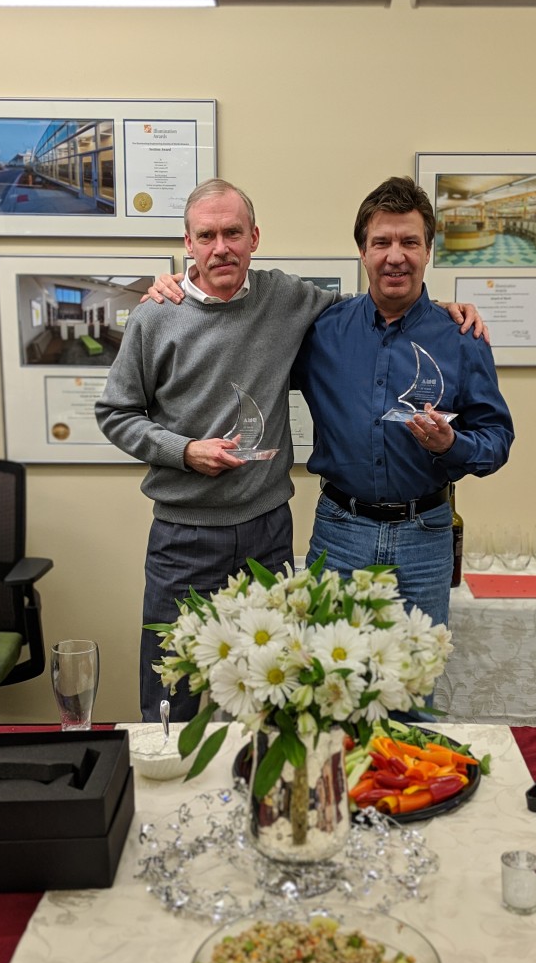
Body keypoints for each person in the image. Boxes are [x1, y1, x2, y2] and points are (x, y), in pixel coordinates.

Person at [96, 178, 484, 722]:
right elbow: (115, 413)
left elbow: (379, 304)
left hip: (266, 530)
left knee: (273, 692)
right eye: (206, 236)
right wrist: (184, 452)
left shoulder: (287, 299)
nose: (220, 247)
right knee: (173, 686)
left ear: (255, 237)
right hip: (183, 536)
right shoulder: (156, 314)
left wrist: (439, 309)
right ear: (187, 243)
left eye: (233, 233)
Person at [291, 176, 514, 658]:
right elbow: (244, 337)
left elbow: (497, 440)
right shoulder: (321, 333)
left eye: (410, 241)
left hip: (425, 536)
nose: (396, 255)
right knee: (329, 689)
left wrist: (451, 445)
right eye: (382, 242)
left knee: (414, 688)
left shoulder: (461, 337)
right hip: (340, 533)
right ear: (362, 251)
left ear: (429, 249)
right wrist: (177, 286)